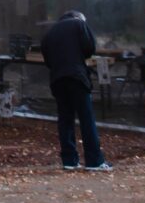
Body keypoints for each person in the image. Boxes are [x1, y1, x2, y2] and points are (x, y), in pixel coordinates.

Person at [39, 10, 112, 172]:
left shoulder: (50, 32)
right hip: (77, 77)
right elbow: (89, 48)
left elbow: (47, 57)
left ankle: (69, 160)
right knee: (86, 118)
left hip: (57, 78)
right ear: (79, 18)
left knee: (65, 119)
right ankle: (94, 160)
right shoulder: (79, 24)